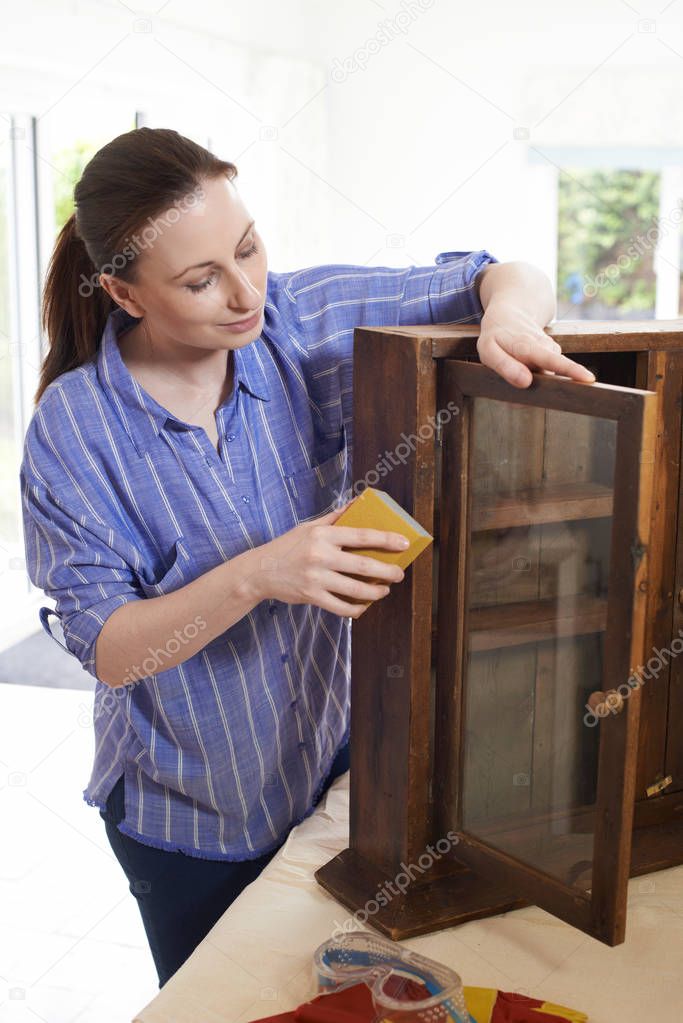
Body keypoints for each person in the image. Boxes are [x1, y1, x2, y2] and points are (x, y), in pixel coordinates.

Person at [19, 127, 594, 988]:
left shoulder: (294, 317)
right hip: (187, 819)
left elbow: (500, 273)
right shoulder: (74, 430)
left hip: (327, 777)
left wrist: (506, 316)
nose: (244, 291)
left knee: (328, 993)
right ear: (122, 293)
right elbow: (112, 649)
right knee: (226, 1003)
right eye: (200, 278)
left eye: (247, 246)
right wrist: (260, 571)